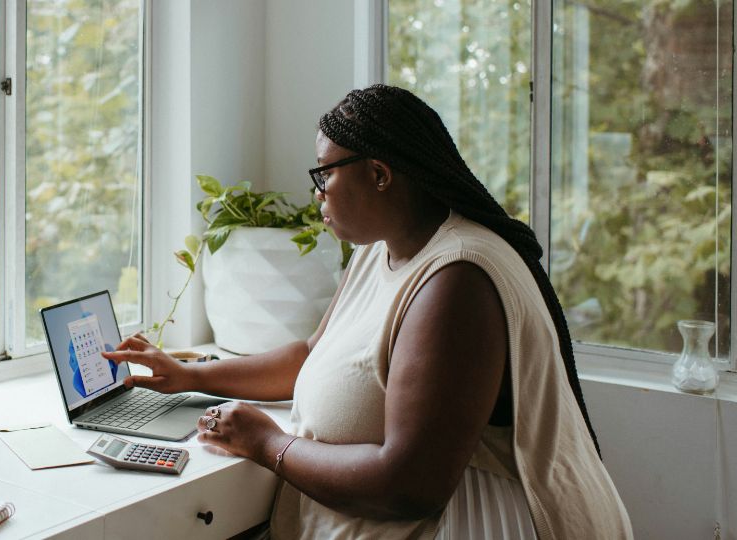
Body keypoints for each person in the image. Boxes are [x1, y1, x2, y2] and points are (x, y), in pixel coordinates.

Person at [101, 84, 632, 539]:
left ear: (379, 173)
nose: (317, 196)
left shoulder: (457, 280)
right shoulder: (379, 249)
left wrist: (267, 443)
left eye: (324, 175)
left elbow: (408, 486)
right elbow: (311, 354)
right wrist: (192, 374)